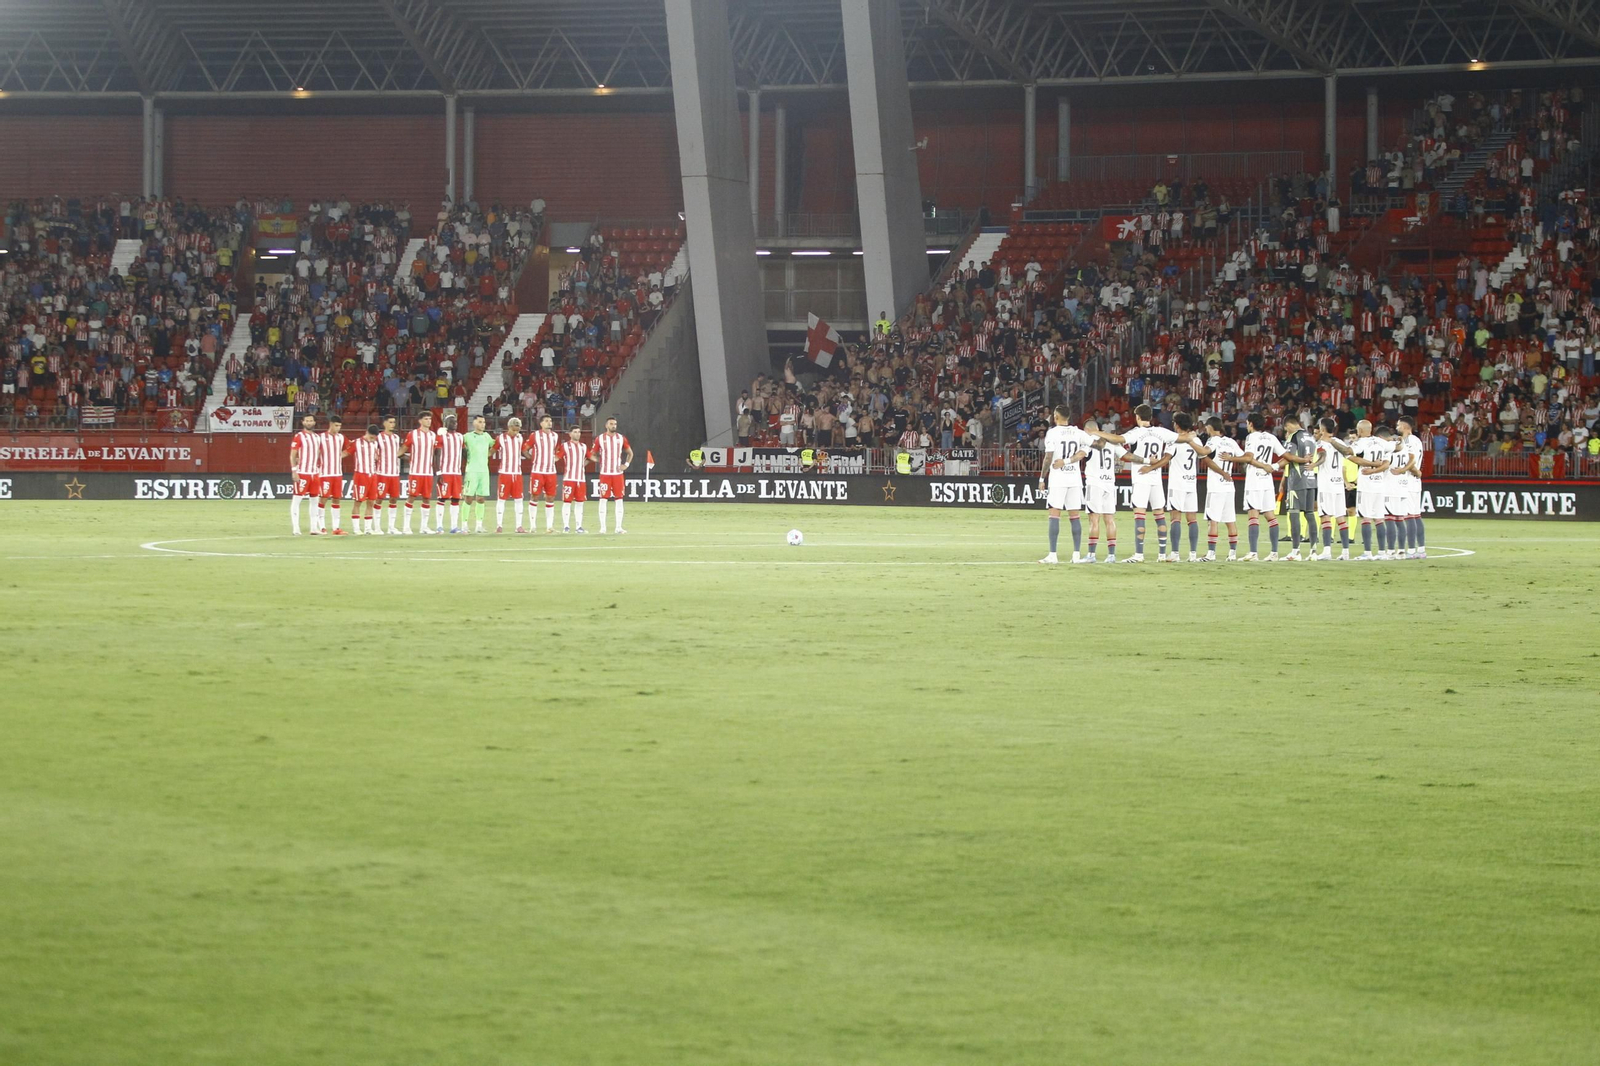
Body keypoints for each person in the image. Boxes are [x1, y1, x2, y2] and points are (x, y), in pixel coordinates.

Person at [1092, 403, 1176, 562]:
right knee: (1160, 515)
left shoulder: (1137, 433)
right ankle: (1162, 554)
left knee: (1140, 515)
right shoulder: (1161, 432)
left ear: (1137, 417)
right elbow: (1180, 438)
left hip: (1141, 477)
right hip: (1156, 478)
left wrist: (1097, 432)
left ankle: (1139, 554)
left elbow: (1118, 439)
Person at [1036, 405, 1092, 565]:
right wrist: (1081, 452)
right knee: (1075, 517)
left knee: (1054, 515)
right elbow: (1096, 443)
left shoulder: (1052, 433)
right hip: (1074, 479)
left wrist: (1042, 478)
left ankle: (1053, 555)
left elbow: (1048, 458)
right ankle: (1076, 555)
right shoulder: (1078, 432)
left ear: (1056, 416)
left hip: (1058, 479)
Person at [1193, 416, 1248, 561]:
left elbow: (1204, 451)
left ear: (1210, 427)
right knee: (1230, 520)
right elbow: (1245, 457)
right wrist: (1231, 459)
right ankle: (1232, 554)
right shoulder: (1230, 442)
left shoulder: (1213, 440)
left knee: (1213, 520)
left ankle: (1211, 554)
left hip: (1216, 487)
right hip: (1229, 486)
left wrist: (1192, 442)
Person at [1080, 417, 1132, 563]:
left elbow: (1081, 455)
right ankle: (1111, 555)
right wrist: (1147, 461)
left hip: (1095, 483)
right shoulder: (1111, 441)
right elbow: (1126, 455)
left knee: (1094, 520)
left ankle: (1091, 555)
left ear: (1087, 430)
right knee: (1109, 519)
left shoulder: (1089, 442)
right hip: (1109, 483)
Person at [1240, 412, 1287, 561]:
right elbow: (1286, 457)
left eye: (1247, 423)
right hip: (1267, 481)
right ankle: (1274, 553)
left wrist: (1264, 466)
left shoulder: (1251, 437)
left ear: (1251, 424)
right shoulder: (1271, 437)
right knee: (1270, 516)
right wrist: (1273, 466)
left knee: (1253, 515)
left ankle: (1253, 552)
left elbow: (1249, 458)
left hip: (1254, 480)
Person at [1345, 419, 1392, 560]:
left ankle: (1367, 552)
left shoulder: (1360, 443)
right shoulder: (1382, 442)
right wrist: (1375, 469)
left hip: (1366, 485)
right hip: (1379, 484)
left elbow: (1350, 455)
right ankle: (1382, 553)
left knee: (1366, 518)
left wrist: (1370, 467)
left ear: (1359, 430)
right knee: (1379, 519)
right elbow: (1386, 463)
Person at [1278, 414, 1319, 561]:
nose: (1286, 431)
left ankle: (1295, 551)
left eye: (1286, 429)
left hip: (1297, 480)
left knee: (1294, 513)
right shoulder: (1311, 437)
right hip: (1311, 479)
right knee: (1310, 514)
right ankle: (1313, 552)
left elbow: (1288, 457)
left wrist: (1274, 466)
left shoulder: (1293, 437)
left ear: (1288, 425)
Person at [1164, 413, 1204, 562]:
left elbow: (1165, 459)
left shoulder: (1174, 440)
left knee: (1175, 518)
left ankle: (1175, 553)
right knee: (1192, 519)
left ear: (1177, 424)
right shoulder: (1196, 440)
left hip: (1177, 484)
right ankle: (1193, 554)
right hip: (1191, 483)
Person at [1313, 418, 1354, 561]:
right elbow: (1348, 452)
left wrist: (1313, 465)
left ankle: (1327, 551)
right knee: (1341, 518)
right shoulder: (1339, 442)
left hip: (1326, 485)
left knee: (1325, 517)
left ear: (1322, 429)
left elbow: (1322, 457)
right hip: (1338, 485)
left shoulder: (1320, 444)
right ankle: (1345, 552)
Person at [589, 415, 634, 534]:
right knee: (603, 499)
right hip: (605, 474)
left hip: (618, 474)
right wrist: (599, 460)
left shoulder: (621, 438)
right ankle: (603, 528)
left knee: (619, 499)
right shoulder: (600, 439)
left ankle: (618, 527)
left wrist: (626, 465)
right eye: (611, 424)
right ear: (606, 425)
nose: (613, 426)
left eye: (615, 424)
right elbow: (592, 454)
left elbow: (630, 453)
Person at [1390, 418, 1427, 558]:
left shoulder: (1410, 441)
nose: (1397, 426)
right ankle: (1421, 549)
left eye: (1398, 424)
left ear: (1405, 426)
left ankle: (1412, 551)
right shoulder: (1415, 440)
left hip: (1409, 482)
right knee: (1416, 515)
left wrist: (1407, 470)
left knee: (1410, 515)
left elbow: (1412, 461)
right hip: (1414, 482)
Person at [525, 413, 561, 534]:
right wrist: (532, 459)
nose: (549, 423)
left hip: (551, 471)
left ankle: (549, 526)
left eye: (550, 421)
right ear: (541, 423)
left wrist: (554, 458)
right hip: (538, 471)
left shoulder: (555, 436)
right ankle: (532, 526)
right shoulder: (535, 435)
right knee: (535, 496)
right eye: (546, 421)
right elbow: (525, 449)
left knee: (550, 497)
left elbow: (557, 450)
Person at [402, 411, 437, 534]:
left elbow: (434, 453)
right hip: (416, 472)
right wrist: (406, 458)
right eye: (426, 419)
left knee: (427, 499)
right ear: (420, 421)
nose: (428, 421)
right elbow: (403, 449)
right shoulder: (413, 434)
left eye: (430, 419)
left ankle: (424, 527)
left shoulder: (433, 435)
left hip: (428, 472)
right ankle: (406, 526)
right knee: (412, 497)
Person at [492, 416, 526, 533]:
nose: (516, 432)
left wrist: (533, 458)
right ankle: (499, 525)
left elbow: (524, 451)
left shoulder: (520, 438)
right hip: (504, 473)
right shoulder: (501, 438)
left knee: (519, 499)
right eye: (514, 430)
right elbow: (492, 451)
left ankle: (519, 526)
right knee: (501, 499)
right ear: (509, 427)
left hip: (517, 473)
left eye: (518, 430)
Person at [289, 413, 321, 536]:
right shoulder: (299, 436)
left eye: (311, 421)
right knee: (297, 500)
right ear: (303, 422)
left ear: (314, 422)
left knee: (314, 501)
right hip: (302, 473)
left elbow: (318, 453)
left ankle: (313, 528)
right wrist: (294, 470)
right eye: (307, 421)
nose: (309, 423)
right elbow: (292, 455)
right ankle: (296, 528)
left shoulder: (317, 437)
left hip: (314, 473)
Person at [462, 414, 494, 533]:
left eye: (484, 422)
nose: (482, 424)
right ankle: (464, 524)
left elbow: (495, 445)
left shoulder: (487, 436)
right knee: (468, 498)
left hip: (484, 471)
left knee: (481, 498)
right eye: (480, 422)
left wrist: (489, 453)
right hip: (472, 470)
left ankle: (479, 525)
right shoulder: (467, 436)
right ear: (474, 423)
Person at [435, 413, 465, 533]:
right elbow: (437, 455)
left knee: (456, 499)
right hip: (445, 472)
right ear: (446, 424)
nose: (455, 423)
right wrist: (439, 472)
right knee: (442, 498)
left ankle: (454, 526)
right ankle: (439, 526)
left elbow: (463, 453)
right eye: (452, 422)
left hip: (456, 473)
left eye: (456, 421)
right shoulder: (441, 436)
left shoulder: (460, 437)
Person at [350, 424, 381, 535]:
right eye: (371, 437)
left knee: (371, 502)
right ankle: (356, 528)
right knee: (358, 501)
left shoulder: (375, 443)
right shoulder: (357, 442)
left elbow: (376, 457)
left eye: (374, 438)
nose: (372, 440)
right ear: (366, 433)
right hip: (361, 475)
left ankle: (368, 528)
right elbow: (347, 452)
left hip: (372, 475)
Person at [319, 415, 347, 535]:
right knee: (323, 499)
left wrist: (340, 456)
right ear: (330, 424)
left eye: (339, 426)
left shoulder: (341, 437)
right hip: (325, 473)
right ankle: (321, 526)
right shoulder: (321, 437)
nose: (338, 428)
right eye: (336, 425)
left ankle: (336, 527)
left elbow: (350, 448)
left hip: (338, 474)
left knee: (336, 499)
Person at [375, 415, 403, 534]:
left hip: (394, 473)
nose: (393, 424)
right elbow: (373, 451)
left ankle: (391, 527)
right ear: (384, 423)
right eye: (390, 422)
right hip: (382, 473)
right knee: (379, 499)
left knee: (393, 499)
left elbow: (398, 453)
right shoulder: (378, 437)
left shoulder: (396, 438)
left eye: (394, 422)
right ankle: (377, 527)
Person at [559, 425, 589, 533]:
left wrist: (582, 465)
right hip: (569, 478)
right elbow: (558, 457)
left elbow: (590, 457)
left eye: (579, 432)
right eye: (575, 432)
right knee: (567, 502)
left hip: (581, 479)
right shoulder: (565, 446)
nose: (577, 434)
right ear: (570, 434)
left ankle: (578, 526)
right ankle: (566, 526)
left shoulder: (583, 446)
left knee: (580, 503)